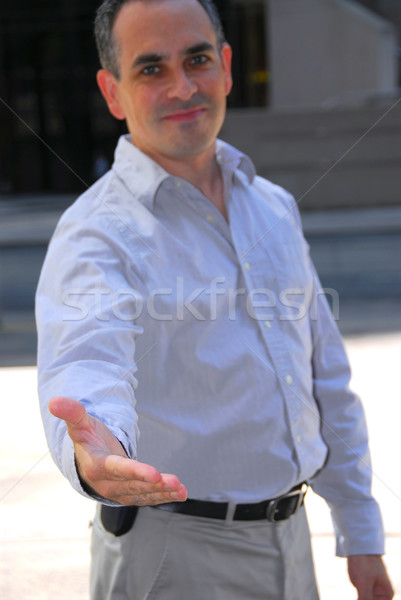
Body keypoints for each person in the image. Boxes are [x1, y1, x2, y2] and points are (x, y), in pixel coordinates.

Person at [35, 0, 393, 598]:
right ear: (113, 92)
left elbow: (325, 381)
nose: (183, 86)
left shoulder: (273, 206)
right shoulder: (95, 232)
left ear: (226, 66)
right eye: (151, 69)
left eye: (197, 59)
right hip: (172, 559)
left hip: (291, 542)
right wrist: (97, 446)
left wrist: (361, 532)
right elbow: (88, 356)